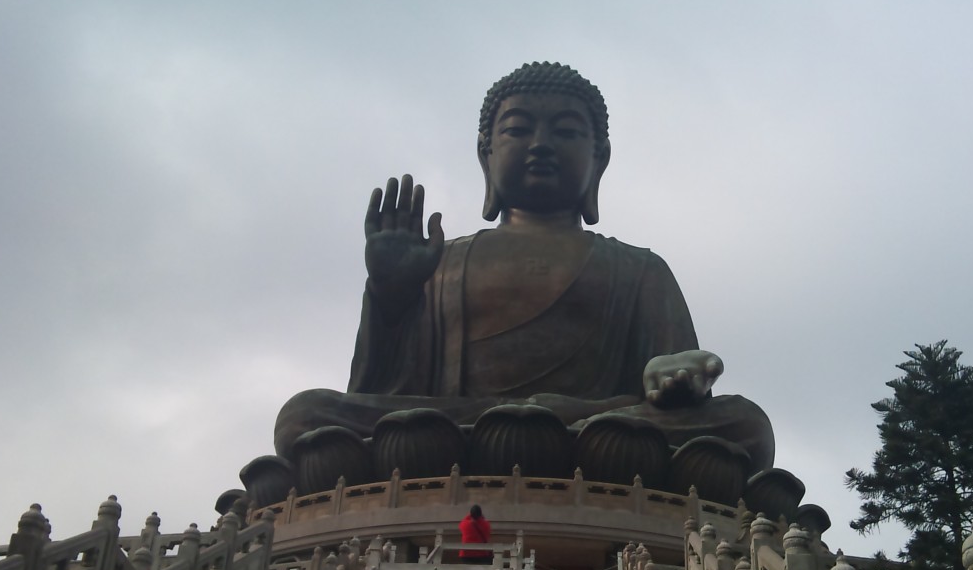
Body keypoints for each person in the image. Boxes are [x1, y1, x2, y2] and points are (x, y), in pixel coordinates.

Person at [271, 62, 774, 474]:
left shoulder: (638, 269)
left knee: (746, 425)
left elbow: (680, 381)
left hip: (594, 431)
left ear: (599, 160)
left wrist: (677, 378)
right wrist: (391, 297)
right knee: (303, 416)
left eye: (566, 132)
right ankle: (540, 428)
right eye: (517, 128)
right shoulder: (441, 262)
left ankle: (545, 427)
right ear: (485, 155)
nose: (540, 144)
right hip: (462, 431)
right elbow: (379, 395)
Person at [458, 505, 491, 570]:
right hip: (482, 555)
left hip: (467, 554)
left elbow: (461, 523)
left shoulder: (465, 524)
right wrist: (481, 518)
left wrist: (470, 515)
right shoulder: (486, 524)